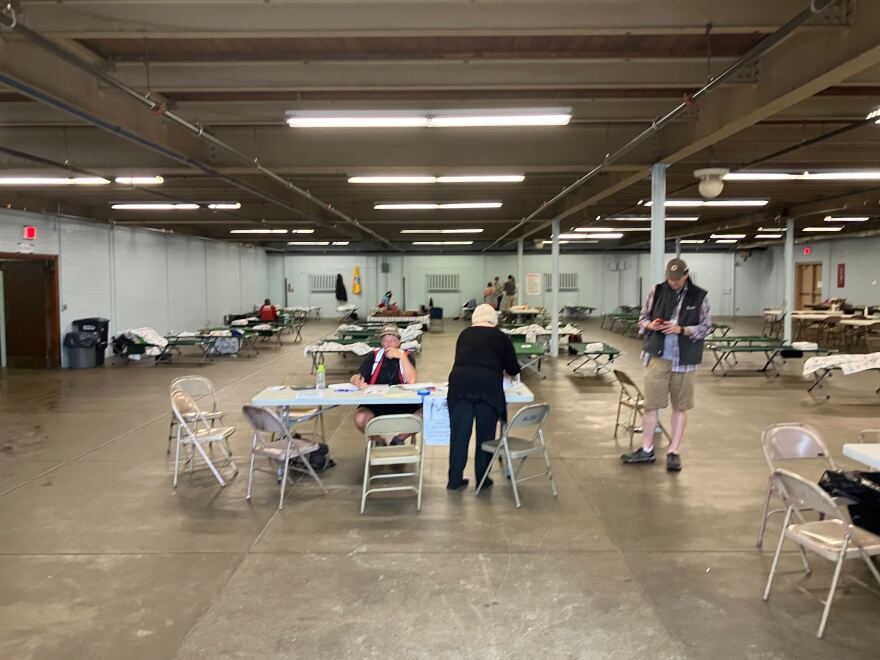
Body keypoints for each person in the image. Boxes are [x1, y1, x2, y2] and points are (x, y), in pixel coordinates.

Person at [621, 258, 711, 472]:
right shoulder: (657, 290)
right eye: (670, 279)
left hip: (685, 361)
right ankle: (646, 449)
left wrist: (681, 329)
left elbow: (707, 327)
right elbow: (642, 318)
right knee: (651, 405)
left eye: (677, 279)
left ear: (685, 275)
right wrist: (650, 325)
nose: (673, 283)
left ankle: (674, 451)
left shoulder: (699, 296)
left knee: (680, 407)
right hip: (658, 357)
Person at [446, 304, 521, 490]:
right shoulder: (501, 337)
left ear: (475, 318)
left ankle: (454, 480)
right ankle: (482, 479)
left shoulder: (464, 334)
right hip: (488, 388)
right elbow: (513, 368)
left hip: (459, 386)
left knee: (459, 436)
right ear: (494, 319)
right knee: (485, 436)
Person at [351, 325, 420, 446]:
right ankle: (379, 441)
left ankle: (399, 439)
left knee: (428, 413)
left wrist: (402, 357)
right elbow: (356, 376)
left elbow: (412, 380)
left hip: (404, 402)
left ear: (399, 342)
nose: (389, 344)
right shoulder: (374, 356)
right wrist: (357, 380)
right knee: (360, 418)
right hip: (376, 403)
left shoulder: (407, 356)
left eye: (393, 340)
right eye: (386, 340)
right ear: (381, 342)